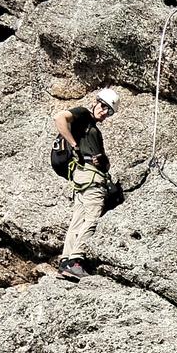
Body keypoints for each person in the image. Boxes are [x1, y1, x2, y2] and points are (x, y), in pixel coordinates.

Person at [53, 89, 118, 280]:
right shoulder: (83, 114)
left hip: (83, 178)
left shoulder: (92, 128)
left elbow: (103, 163)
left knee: (78, 220)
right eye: (104, 106)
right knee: (91, 219)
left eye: (110, 111)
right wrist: (73, 145)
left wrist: (102, 160)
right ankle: (75, 261)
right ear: (96, 102)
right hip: (90, 178)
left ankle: (66, 262)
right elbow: (59, 118)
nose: (105, 112)